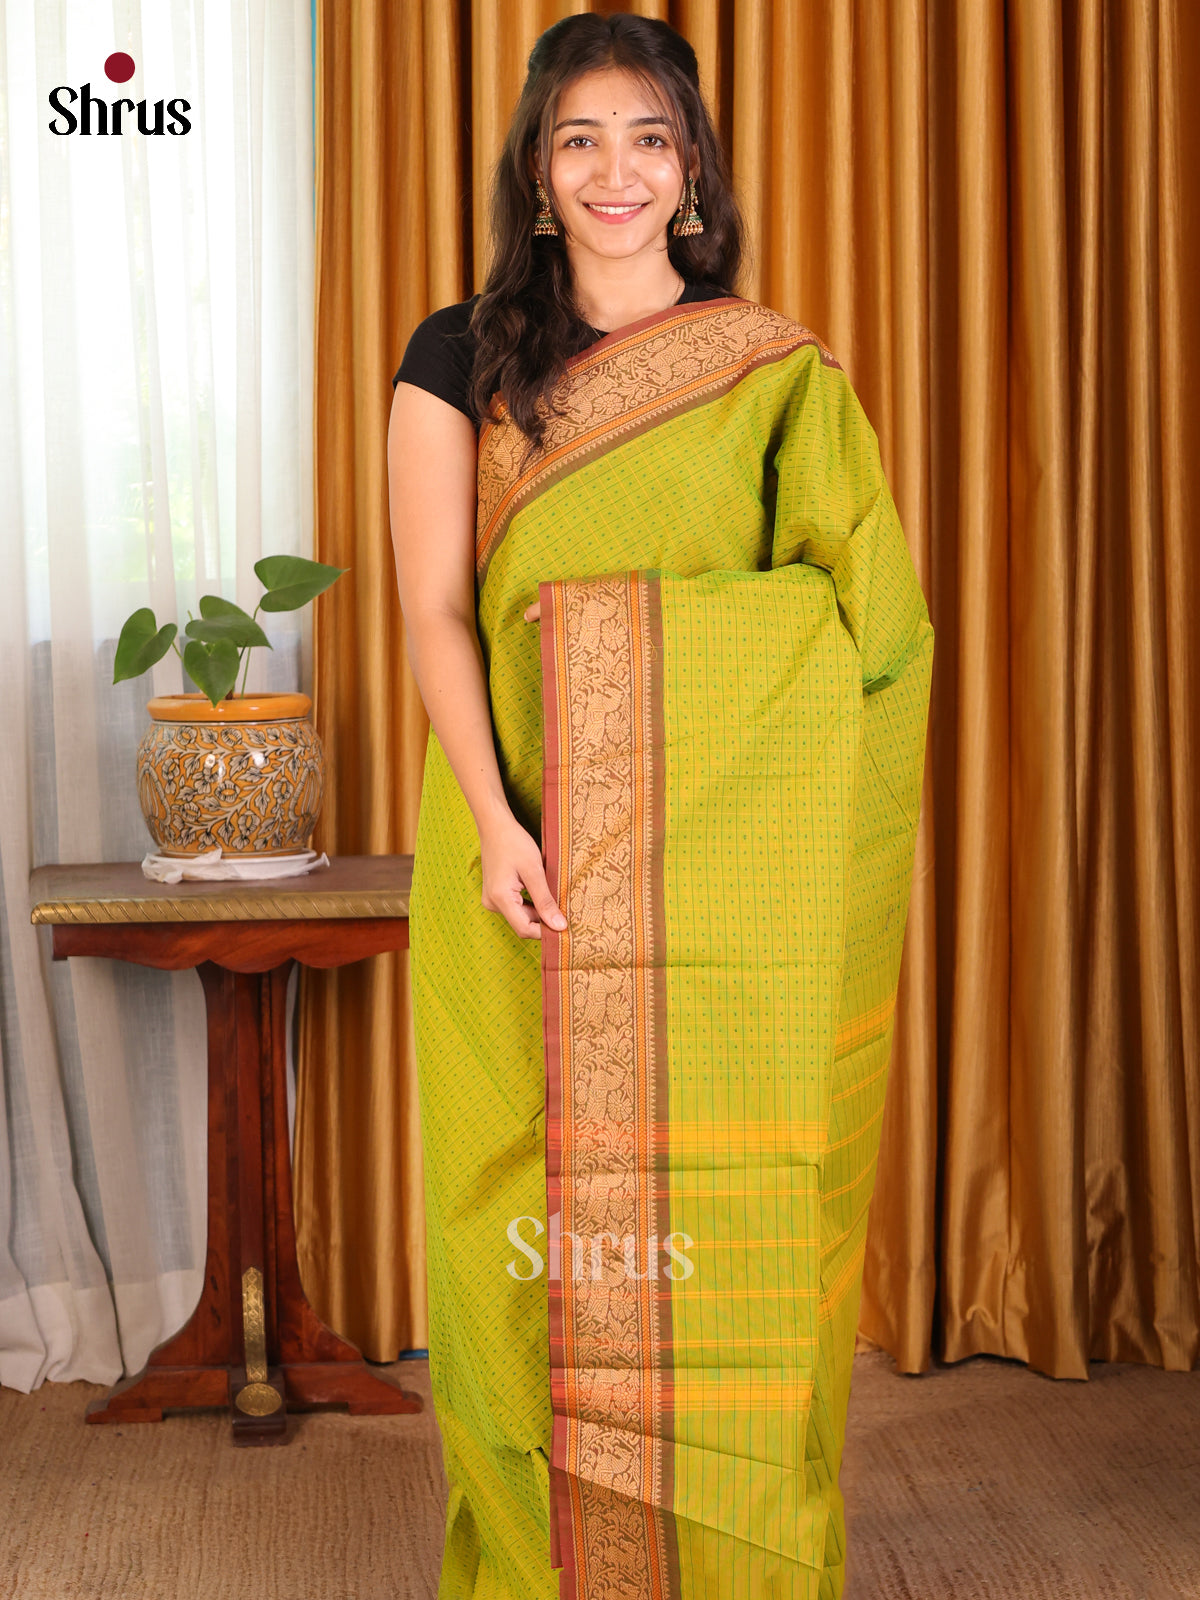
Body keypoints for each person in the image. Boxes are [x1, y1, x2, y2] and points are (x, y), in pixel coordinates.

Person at [387, 14, 932, 1600]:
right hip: (511, 855)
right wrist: (497, 824)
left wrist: (649, 661)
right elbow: (435, 610)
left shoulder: (771, 372)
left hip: (722, 891)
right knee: (511, 1229)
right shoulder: (459, 355)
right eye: (579, 138)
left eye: (647, 136)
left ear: (690, 168)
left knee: (733, 1220)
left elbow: (864, 632)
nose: (613, 169)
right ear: (536, 174)